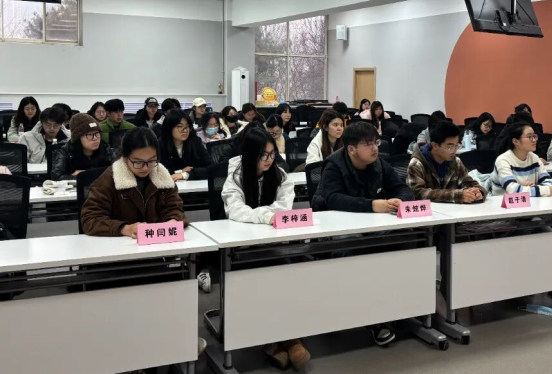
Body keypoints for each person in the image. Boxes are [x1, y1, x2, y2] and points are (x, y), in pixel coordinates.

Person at [79, 127, 207, 361]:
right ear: (124, 157)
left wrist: (172, 221)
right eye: (137, 162)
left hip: (152, 255)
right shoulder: (109, 179)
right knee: (132, 304)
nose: (145, 168)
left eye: (151, 161)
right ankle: (132, 351)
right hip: (115, 262)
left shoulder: (162, 176)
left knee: (174, 291)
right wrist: (124, 228)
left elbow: (175, 208)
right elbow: (89, 219)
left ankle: (171, 342)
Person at [312, 121, 414, 346]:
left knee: (407, 238)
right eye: (368, 144)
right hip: (336, 230)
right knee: (357, 251)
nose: (375, 148)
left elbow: (403, 188)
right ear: (351, 149)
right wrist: (372, 205)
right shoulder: (334, 165)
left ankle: (405, 305)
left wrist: (400, 201)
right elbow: (333, 199)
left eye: (376, 142)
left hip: (370, 227)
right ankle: (373, 318)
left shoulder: (379, 163)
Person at [220, 128, 309, 369]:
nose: (269, 160)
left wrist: (264, 215)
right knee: (260, 280)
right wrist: (265, 216)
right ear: (250, 155)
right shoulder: (235, 176)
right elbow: (235, 210)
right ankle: (270, 339)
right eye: (263, 155)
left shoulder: (279, 174)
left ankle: (289, 337)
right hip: (243, 248)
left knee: (286, 274)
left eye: (272, 154)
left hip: (273, 244)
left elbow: (285, 206)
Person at [408, 121, 486, 203]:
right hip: (431, 210)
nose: (454, 151)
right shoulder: (417, 164)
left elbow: (469, 183)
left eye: (456, 146)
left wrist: (478, 192)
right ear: (435, 145)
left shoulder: (456, 162)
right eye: (450, 147)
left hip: (453, 210)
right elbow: (418, 193)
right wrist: (456, 196)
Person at [491, 122, 552, 197]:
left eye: (534, 136)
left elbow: (550, 182)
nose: (534, 140)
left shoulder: (534, 158)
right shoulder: (503, 160)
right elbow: (513, 191)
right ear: (515, 141)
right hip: (501, 202)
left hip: (530, 202)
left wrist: (532, 189)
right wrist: (546, 190)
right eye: (529, 137)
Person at [52, 113, 115, 181]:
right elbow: (56, 176)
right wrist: (77, 177)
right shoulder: (66, 151)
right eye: (89, 135)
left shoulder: (106, 149)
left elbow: (118, 172)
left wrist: (87, 174)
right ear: (78, 138)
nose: (95, 138)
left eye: (97, 133)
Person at [158, 109, 213, 181]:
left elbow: (211, 167)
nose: (185, 130)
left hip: (194, 185)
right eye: (180, 126)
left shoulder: (195, 142)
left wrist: (186, 174)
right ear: (169, 128)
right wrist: (180, 171)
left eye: (187, 126)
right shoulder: (160, 145)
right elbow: (156, 172)